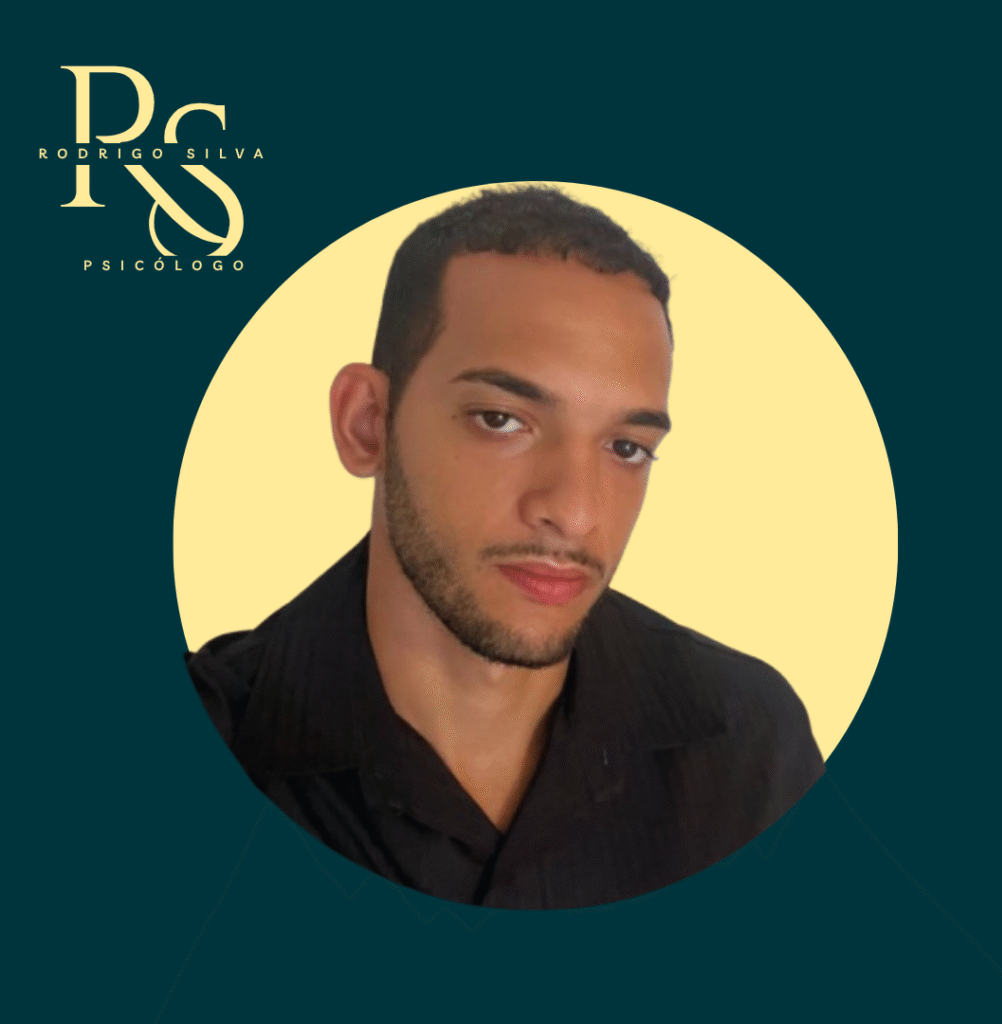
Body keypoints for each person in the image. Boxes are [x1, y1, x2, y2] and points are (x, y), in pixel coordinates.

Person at [186, 185, 824, 910]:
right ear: (367, 424)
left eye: (626, 447)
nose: (575, 513)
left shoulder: (748, 746)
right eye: (501, 420)